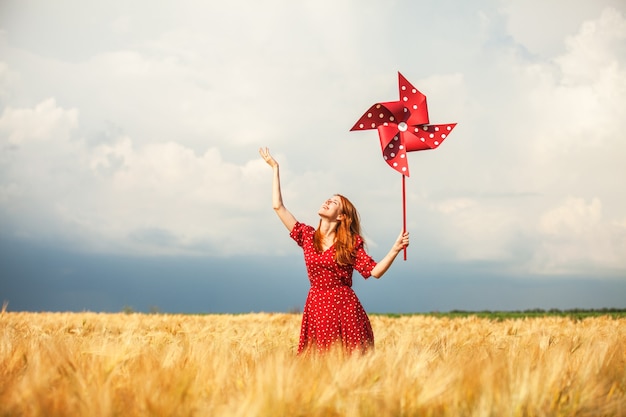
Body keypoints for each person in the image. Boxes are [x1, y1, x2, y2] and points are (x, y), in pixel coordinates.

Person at [259, 147, 409, 355]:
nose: (327, 201)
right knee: (317, 369)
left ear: (341, 216)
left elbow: (374, 272)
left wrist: (395, 248)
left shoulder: (349, 244)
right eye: (328, 199)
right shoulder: (307, 236)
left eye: (334, 202)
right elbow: (278, 207)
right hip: (316, 308)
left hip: (345, 311)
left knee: (351, 368)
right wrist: (275, 168)